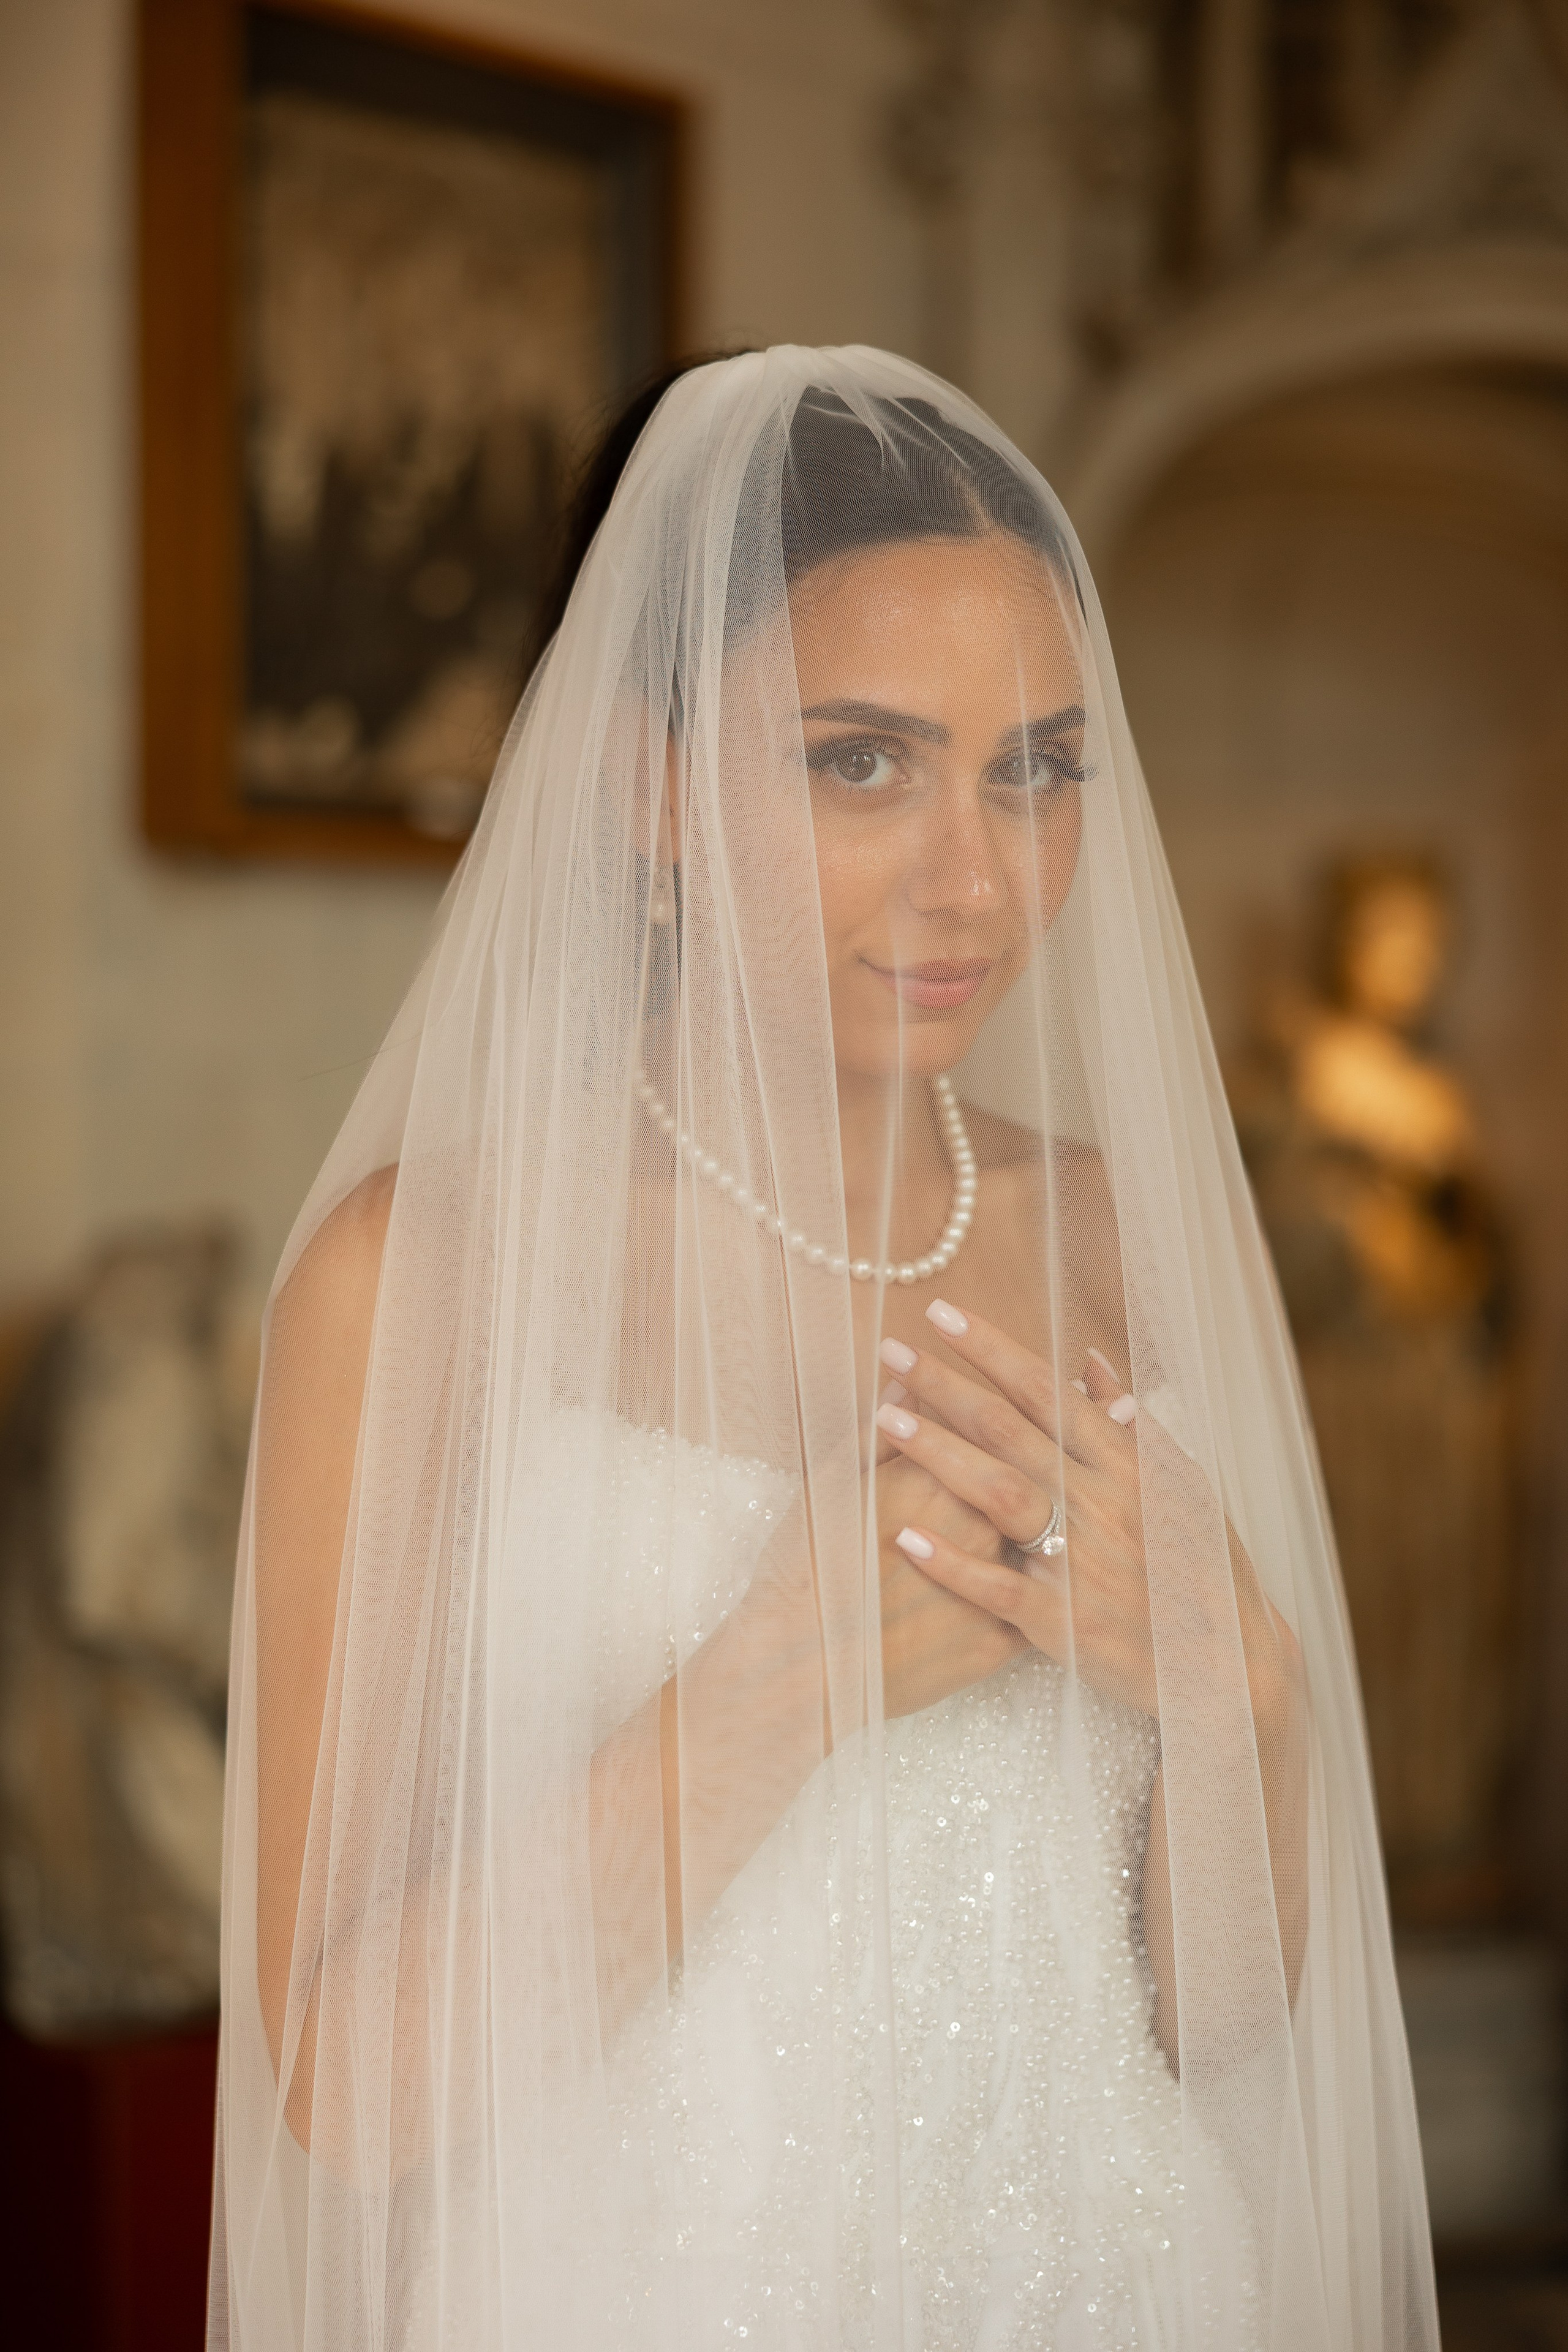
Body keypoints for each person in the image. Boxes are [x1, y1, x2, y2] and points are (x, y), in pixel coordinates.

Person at [212, 348, 1437, 2350]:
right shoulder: (421, 1276)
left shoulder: (1130, 1242)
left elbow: (1205, 2019)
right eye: (862, 760)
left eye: (1036, 768)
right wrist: (786, 1679)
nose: (976, 875)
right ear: (645, 781)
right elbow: (338, 2102)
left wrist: (1250, 1702)